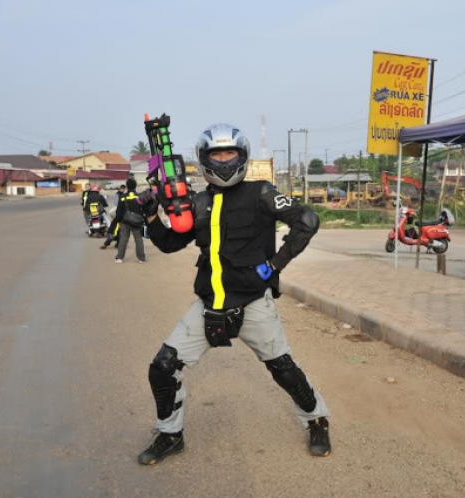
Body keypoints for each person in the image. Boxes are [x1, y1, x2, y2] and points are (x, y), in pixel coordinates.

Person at [135, 123, 330, 465]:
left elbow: (308, 220)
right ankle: (170, 434)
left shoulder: (262, 193)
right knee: (162, 368)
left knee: (283, 369)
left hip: (254, 303)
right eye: (216, 154)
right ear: (204, 159)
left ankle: (317, 420)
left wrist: (275, 265)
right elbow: (167, 243)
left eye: (230, 153)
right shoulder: (197, 202)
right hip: (209, 306)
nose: (223, 161)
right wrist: (152, 215)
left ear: (241, 156)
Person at [114, 179, 146, 263]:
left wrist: (118, 220)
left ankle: (119, 258)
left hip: (125, 221)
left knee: (123, 239)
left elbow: (118, 210)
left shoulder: (122, 197)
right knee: (138, 239)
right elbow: (144, 209)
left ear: (127, 186)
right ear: (135, 186)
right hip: (137, 222)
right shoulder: (139, 196)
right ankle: (141, 258)